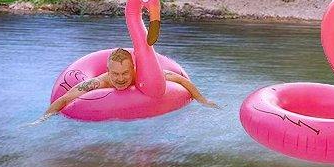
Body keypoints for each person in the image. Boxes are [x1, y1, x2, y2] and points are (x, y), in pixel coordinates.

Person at [37, 47, 218, 120]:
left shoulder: (145, 77)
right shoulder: (99, 82)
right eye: (115, 74)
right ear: (108, 71)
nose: (121, 78)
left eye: (125, 73)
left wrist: (203, 101)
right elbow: (66, 98)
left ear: (133, 69)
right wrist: (42, 119)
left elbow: (180, 80)